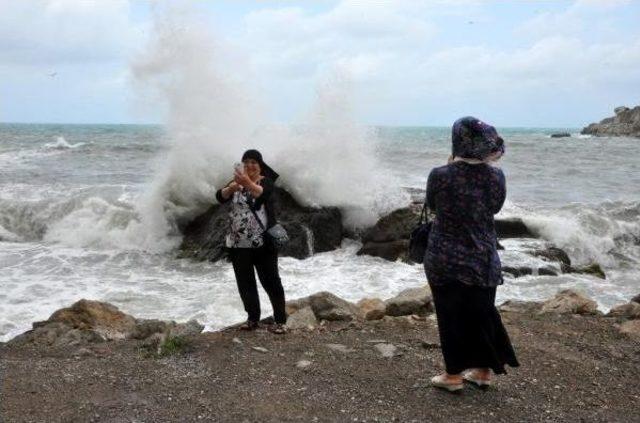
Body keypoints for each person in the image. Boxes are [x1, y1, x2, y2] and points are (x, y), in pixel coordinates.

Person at [425, 116, 519, 392]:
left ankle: (453, 376)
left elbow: (432, 205)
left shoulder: (440, 174)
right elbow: (496, 208)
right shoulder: (496, 176)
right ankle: (482, 371)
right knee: (482, 312)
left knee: (450, 313)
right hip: (483, 255)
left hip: (445, 255)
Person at [215, 149, 287, 334]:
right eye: (246, 161)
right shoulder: (236, 183)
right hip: (238, 244)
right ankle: (252, 319)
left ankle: (280, 320)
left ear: (260, 165)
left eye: (254, 162)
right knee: (245, 283)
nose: (249, 165)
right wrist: (232, 188)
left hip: (263, 243)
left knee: (271, 281)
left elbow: (261, 194)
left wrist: (246, 183)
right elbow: (219, 197)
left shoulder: (267, 182)